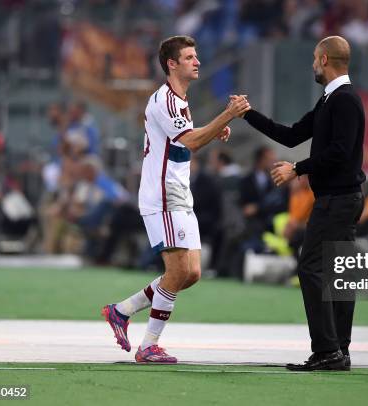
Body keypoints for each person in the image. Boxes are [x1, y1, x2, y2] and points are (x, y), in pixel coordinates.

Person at [101, 35, 250, 363]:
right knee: (178, 270)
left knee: (191, 273)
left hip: (179, 192)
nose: (197, 62)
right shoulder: (166, 100)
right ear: (172, 64)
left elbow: (182, 146)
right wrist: (227, 116)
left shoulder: (179, 99)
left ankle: (122, 311)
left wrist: (213, 130)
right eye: (189, 57)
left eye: (196, 56)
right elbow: (192, 142)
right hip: (163, 193)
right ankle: (148, 346)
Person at [237, 35, 365, 371]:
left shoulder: (345, 101)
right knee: (337, 275)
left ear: (324, 59)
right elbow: (292, 134)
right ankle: (339, 351)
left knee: (312, 268)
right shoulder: (331, 100)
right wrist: (248, 114)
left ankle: (328, 350)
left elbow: (340, 152)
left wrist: (297, 168)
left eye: (313, 58)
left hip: (338, 200)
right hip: (337, 199)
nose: (311, 65)